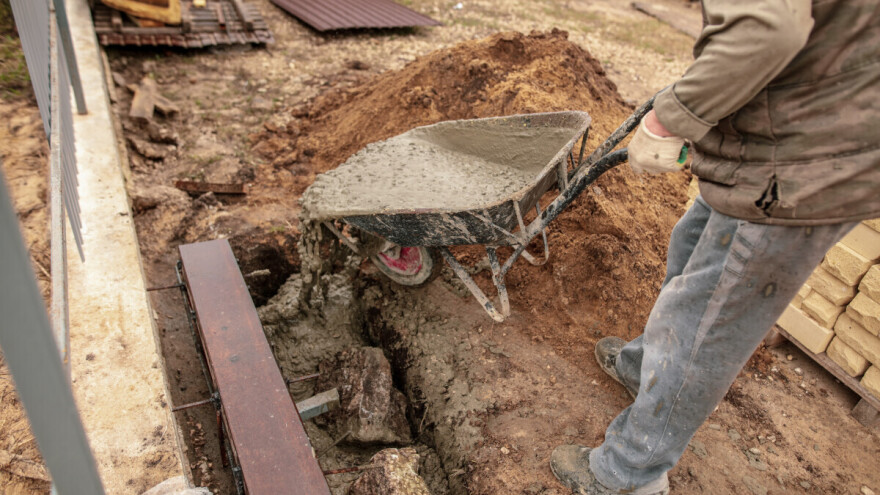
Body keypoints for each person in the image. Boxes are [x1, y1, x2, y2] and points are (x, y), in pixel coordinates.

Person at [550, 0, 880, 493]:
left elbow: (769, 28)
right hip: (780, 136)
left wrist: (669, 119)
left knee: (705, 325)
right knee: (689, 253)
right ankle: (646, 369)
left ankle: (629, 474)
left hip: (801, 164)